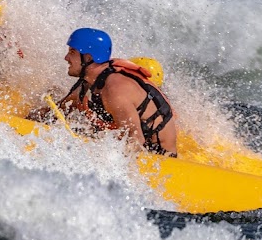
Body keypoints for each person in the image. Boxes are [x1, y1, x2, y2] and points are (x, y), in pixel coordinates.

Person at [54, 28, 178, 156]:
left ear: (88, 57)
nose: (66, 57)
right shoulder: (88, 82)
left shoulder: (115, 90)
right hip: (135, 145)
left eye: (72, 52)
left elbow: (135, 140)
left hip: (158, 156)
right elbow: (59, 109)